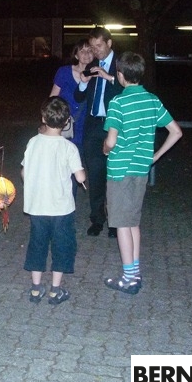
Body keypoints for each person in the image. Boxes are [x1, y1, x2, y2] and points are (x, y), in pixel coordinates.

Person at [102, 52, 183, 294]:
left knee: (121, 224)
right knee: (132, 221)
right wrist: (155, 157)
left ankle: (129, 279)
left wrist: (104, 149)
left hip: (120, 170)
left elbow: (111, 141)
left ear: (120, 75)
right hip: (140, 169)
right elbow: (176, 132)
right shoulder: (153, 101)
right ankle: (135, 272)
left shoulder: (118, 103)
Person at [21, 97, 87, 305]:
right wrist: (82, 174)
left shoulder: (33, 142)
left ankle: (35, 289)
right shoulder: (69, 147)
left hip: (37, 206)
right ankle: (55, 290)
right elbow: (80, 177)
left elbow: (24, 171)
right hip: (61, 209)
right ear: (67, 122)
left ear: (43, 118)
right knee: (62, 246)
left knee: (37, 245)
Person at [74, 27, 123, 238]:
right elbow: (78, 97)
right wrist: (83, 84)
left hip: (114, 126)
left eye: (99, 46)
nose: (95, 51)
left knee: (114, 176)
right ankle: (97, 219)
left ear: (109, 43)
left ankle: (115, 222)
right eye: (92, 47)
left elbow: (128, 89)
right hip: (93, 126)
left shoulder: (121, 64)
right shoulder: (91, 66)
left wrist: (109, 77)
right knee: (94, 174)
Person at [50, 38, 93, 195]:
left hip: (84, 129)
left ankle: (70, 203)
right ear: (76, 55)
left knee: (76, 168)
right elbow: (53, 98)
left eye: (89, 50)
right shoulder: (64, 72)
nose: (86, 54)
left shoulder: (96, 74)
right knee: (60, 168)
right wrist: (49, 123)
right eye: (82, 51)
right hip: (64, 128)